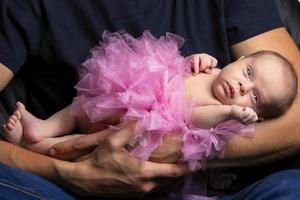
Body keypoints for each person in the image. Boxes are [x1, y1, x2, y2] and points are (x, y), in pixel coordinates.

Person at [0, 0, 299, 199]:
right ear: (242, 60)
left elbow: (296, 110)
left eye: (255, 96)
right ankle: (38, 135)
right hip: (72, 181)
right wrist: (74, 175)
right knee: (78, 115)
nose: (243, 87)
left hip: (195, 186)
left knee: (291, 188)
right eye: (246, 72)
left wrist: (176, 149)